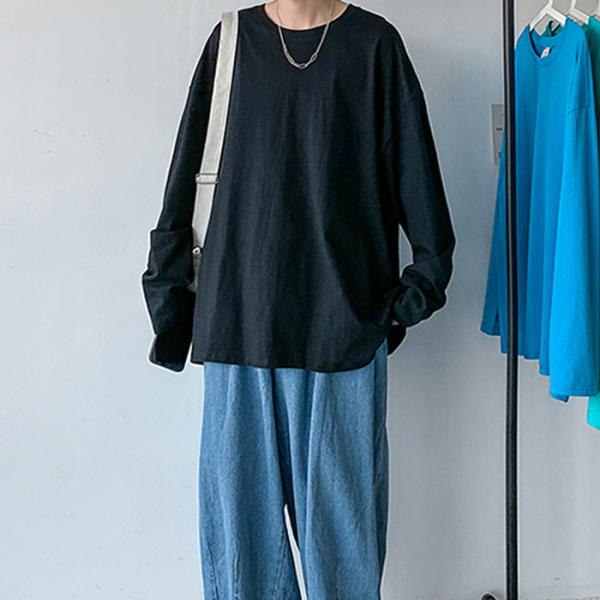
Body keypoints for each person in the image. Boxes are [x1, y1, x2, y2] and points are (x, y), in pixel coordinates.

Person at [141, 0, 455, 597]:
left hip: (343, 338)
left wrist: (402, 305)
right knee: (243, 557)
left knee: (344, 554)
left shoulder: (374, 46)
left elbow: (423, 200)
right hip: (238, 326)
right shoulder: (230, 41)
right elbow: (186, 177)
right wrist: (170, 297)